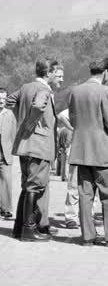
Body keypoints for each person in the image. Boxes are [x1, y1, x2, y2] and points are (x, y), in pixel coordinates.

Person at [68, 57, 108, 247]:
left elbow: (72, 120)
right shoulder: (106, 92)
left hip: (82, 152)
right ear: (106, 72)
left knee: (85, 196)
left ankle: (87, 237)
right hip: (104, 152)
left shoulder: (75, 91)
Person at [8, 59, 63, 241]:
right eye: (57, 73)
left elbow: (10, 100)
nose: (59, 77)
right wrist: (31, 124)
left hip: (25, 146)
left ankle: (19, 228)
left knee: (27, 186)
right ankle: (29, 230)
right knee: (35, 186)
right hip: (38, 146)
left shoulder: (26, 87)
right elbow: (38, 106)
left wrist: (22, 121)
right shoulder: (44, 90)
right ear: (48, 74)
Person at [0, 87, 17, 220]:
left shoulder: (10, 114)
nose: (1, 101)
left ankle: (6, 208)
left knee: (6, 181)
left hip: (5, 153)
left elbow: (13, 134)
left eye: (4, 98)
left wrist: (12, 150)